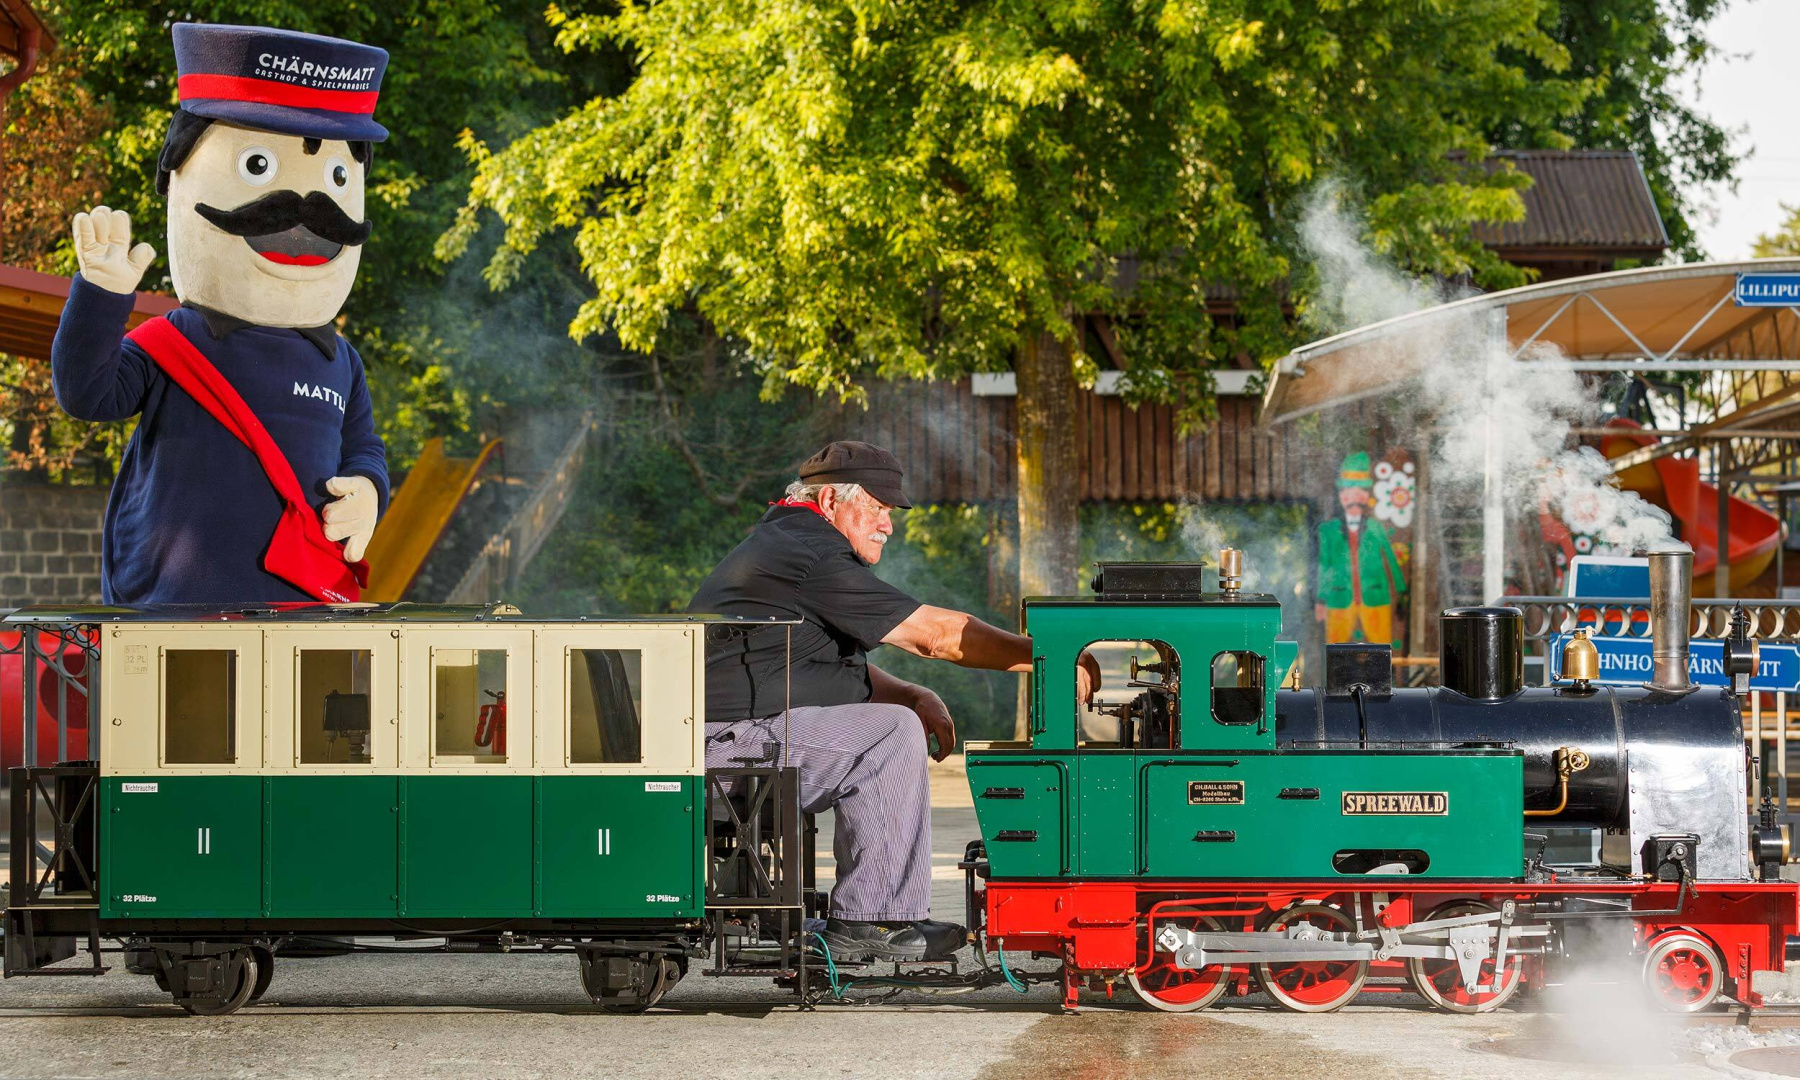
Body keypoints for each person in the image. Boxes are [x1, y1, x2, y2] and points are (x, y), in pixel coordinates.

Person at [689, 440, 1098, 961]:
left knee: (896, 716)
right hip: (722, 751)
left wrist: (909, 692)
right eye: (878, 507)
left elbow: (813, 664)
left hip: (733, 739)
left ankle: (882, 913)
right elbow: (938, 637)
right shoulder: (808, 553)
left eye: (890, 511)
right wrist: (1050, 659)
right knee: (889, 732)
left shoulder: (791, 542)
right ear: (832, 499)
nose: (888, 523)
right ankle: (871, 918)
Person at [51, 24, 390, 604]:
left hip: (301, 612)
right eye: (255, 165)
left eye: (338, 176)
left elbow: (364, 446)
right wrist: (101, 295)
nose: (309, 213)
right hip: (176, 617)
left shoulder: (339, 361)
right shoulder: (173, 343)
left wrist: (367, 489)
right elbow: (86, 394)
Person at [1316, 451, 1407, 644]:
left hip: (1375, 596)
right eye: (1349, 493)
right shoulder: (1328, 530)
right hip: (1339, 597)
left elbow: (1391, 559)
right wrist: (1321, 600)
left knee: (1382, 648)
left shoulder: (1376, 527)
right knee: (1334, 650)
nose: (1355, 499)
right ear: (1341, 496)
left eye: (1361, 493)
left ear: (1366, 497)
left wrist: (1402, 593)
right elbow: (1325, 565)